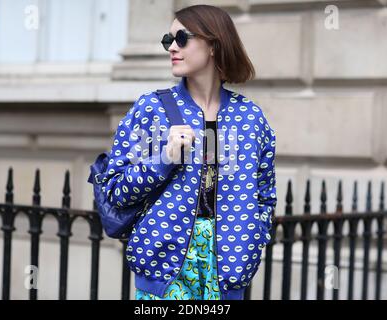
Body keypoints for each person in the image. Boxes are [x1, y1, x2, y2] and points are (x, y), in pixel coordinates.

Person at [103, 4, 277, 300]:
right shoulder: (152, 110)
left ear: (213, 44)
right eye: (167, 40)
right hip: (165, 269)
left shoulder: (250, 117)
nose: (172, 47)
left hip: (228, 270)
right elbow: (115, 190)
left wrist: (252, 240)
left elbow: (265, 195)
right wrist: (164, 160)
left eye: (181, 38)